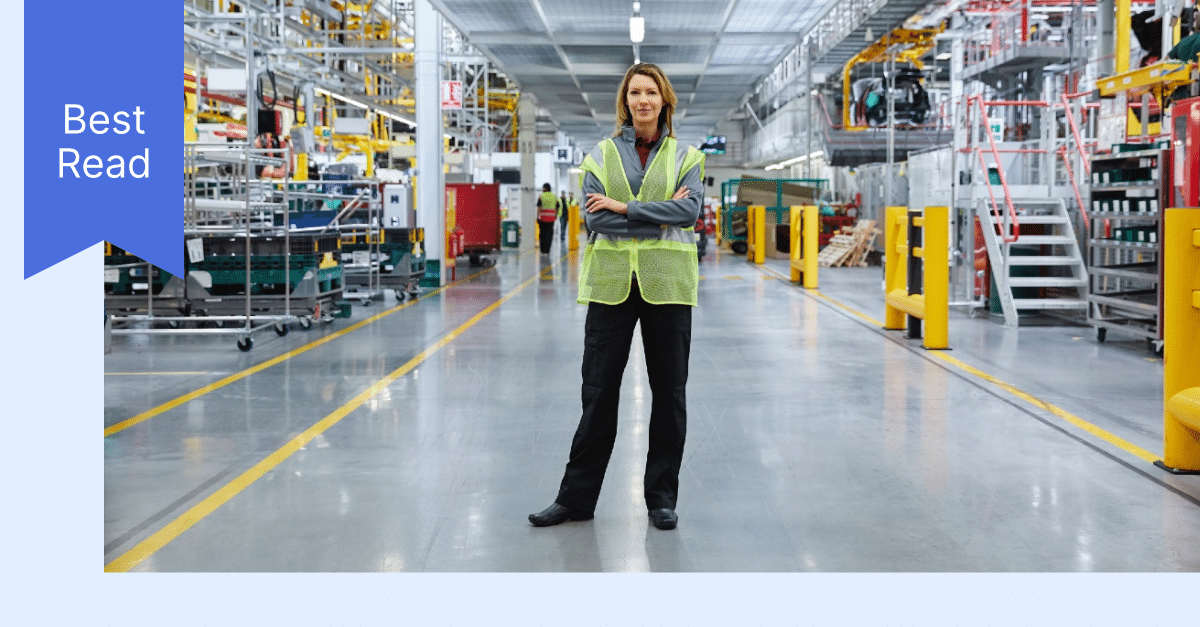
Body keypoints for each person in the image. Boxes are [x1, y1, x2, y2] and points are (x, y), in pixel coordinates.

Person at [528, 63, 704, 531]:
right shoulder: (601, 154)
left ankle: (661, 499)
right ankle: (576, 499)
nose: (642, 100)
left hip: (667, 284)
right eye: (634, 93)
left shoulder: (687, 155)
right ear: (625, 102)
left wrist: (626, 207)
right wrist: (657, 216)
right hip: (611, 285)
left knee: (670, 394)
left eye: (650, 92)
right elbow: (595, 220)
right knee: (598, 393)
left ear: (664, 99)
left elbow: (689, 213)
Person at [536, 182, 559, 254]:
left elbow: (539, 207)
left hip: (542, 219)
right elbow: (557, 206)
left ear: (545, 188)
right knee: (549, 234)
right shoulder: (554, 196)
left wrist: (537, 216)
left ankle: (543, 250)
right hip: (551, 219)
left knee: (542, 234)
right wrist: (556, 215)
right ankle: (547, 250)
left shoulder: (541, 196)